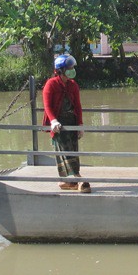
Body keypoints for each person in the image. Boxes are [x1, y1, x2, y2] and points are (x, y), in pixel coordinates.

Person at [42, 54, 90, 192]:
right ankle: (78, 178)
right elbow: (47, 106)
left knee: (73, 150)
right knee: (64, 150)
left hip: (72, 121)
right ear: (60, 70)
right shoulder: (51, 84)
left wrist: (80, 125)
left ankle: (69, 182)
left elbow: (78, 106)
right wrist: (53, 120)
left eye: (72, 67)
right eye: (69, 68)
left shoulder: (73, 85)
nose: (72, 69)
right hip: (58, 123)